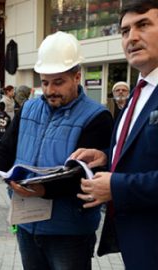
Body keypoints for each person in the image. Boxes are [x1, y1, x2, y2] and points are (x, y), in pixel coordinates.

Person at [0, 31, 113, 270]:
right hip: (27, 223)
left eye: (58, 82)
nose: (49, 91)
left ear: (77, 76)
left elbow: (85, 175)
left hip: (68, 231)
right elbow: (7, 147)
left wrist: (43, 189)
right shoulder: (28, 108)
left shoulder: (97, 116)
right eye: (45, 82)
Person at [70, 2, 158, 269]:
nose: (131, 37)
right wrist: (108, 158)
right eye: (124, 30)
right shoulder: (138, 90)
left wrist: (116, 186)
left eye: (143, 25)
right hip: (137, 243)